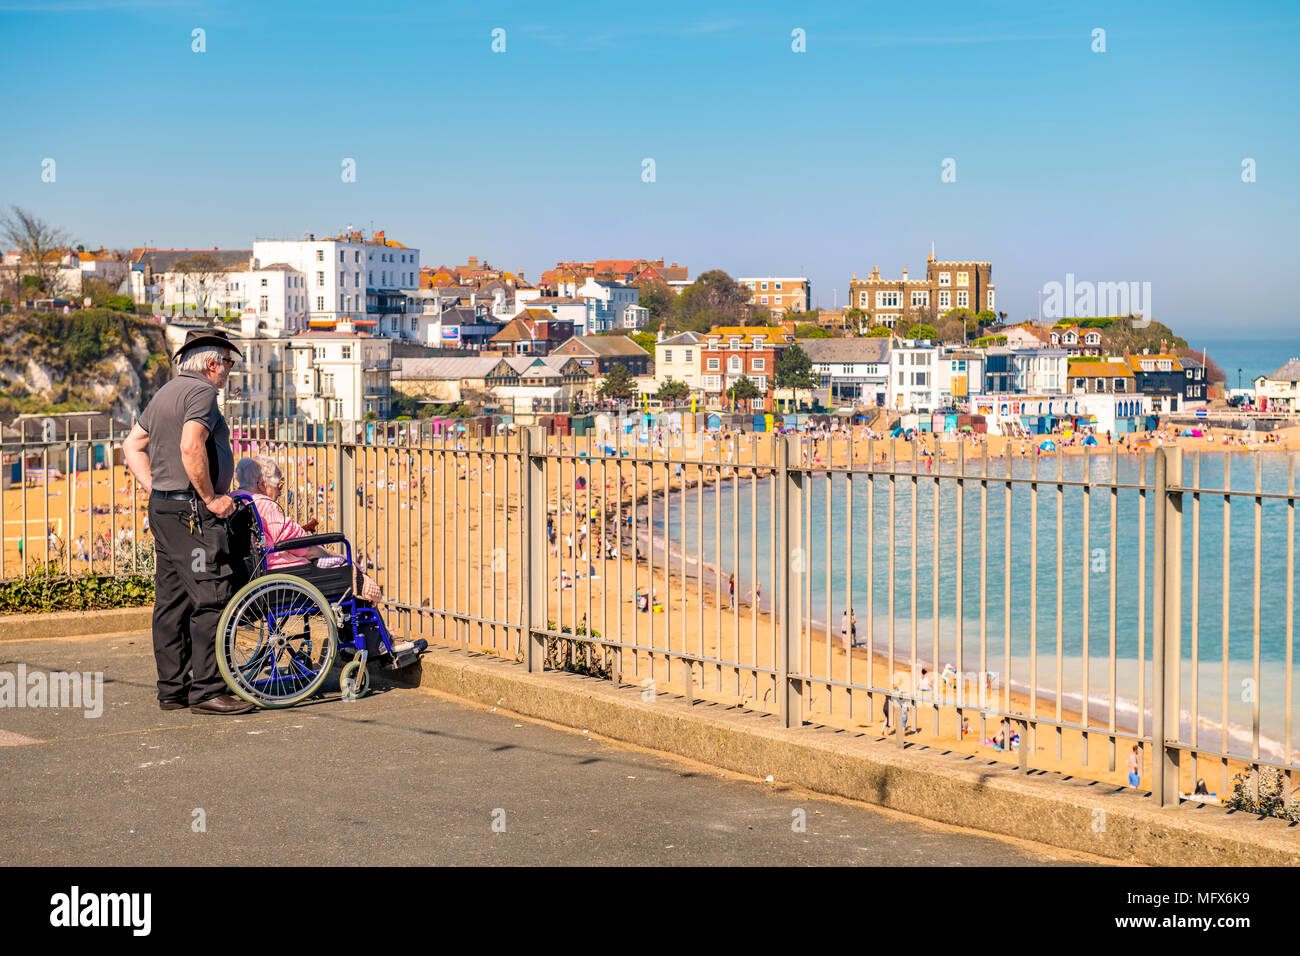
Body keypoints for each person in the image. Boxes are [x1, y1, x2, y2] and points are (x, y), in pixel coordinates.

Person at [122, 328, 255, 715]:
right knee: (210, 596)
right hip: (192, 515)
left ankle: (172, 689)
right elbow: (190, 444)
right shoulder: (201, 393)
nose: (229, 371)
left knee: (172, 600)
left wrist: (157, 487)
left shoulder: (166, 391)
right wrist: (210, 499)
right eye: (228, 363)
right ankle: (207, 691)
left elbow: (132, 445)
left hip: (165, 510)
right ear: (212, 364)